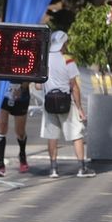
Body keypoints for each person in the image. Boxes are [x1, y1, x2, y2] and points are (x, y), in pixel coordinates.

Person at [41, 30, 95, 178]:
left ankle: (53, 169)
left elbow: (39, 85)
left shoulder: (44, 59)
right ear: (63, 44)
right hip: (66, 102)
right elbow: (74, 86)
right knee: (76, 135)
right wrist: (79, 108)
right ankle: (82, 168)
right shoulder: (68, 60)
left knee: (52, 136)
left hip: (49, 102)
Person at [0, 80, 31, 176]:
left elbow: (28, 76)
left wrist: (22, 88)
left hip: (21, 96)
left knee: (20, 131)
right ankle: (1, 164)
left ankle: (22, 155)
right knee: (1, 128)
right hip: (3, 95)